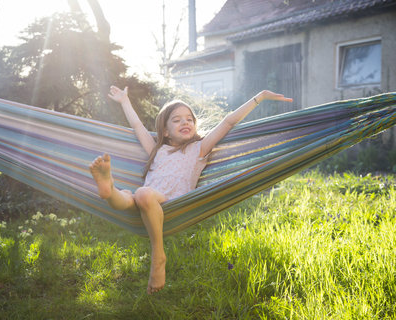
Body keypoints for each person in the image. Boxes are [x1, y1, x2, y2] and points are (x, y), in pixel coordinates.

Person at [89, 86, 292, 295]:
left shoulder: (199, 149)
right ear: (165, 132)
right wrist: (124, 101)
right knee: (127, 196)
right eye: (176, 120)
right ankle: (109, 189)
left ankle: (158, 256)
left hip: (172, 202)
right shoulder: (157, 150)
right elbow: (137, 125)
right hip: (145, 202)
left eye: (189, 119)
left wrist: (259, 97)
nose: (185, 122)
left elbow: (229, 121)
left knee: (141, 193)